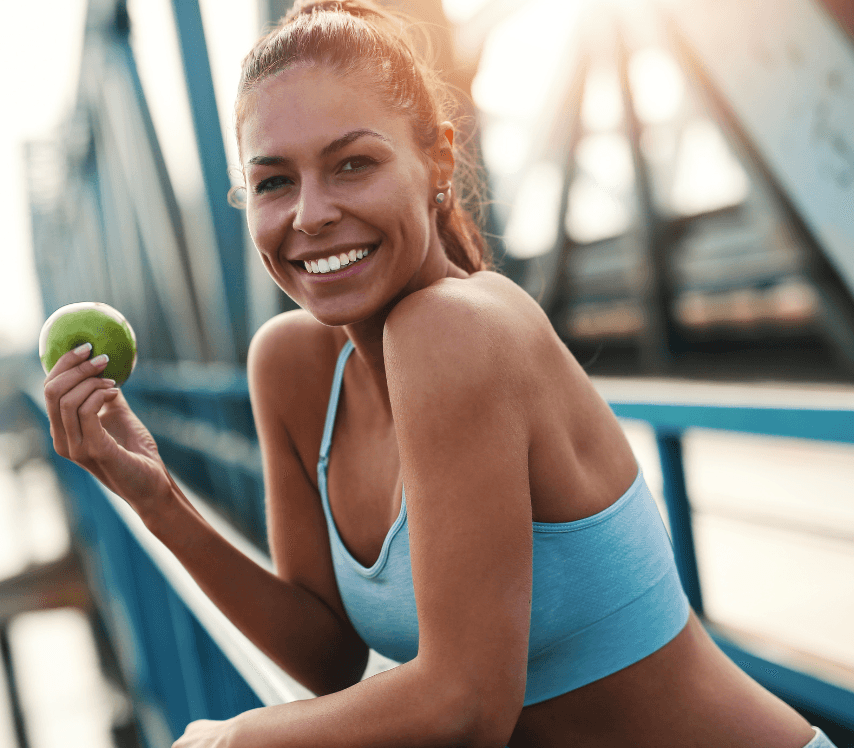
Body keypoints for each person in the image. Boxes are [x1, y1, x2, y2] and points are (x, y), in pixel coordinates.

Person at [42, 1, 839, 746]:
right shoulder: (289, 364)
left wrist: (233, 737)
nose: (310, 213)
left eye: (351, 164)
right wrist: (158, 497)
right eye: (273, 181)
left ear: (436, 160)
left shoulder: (452, 329)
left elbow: (466, 703)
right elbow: (326, 655)